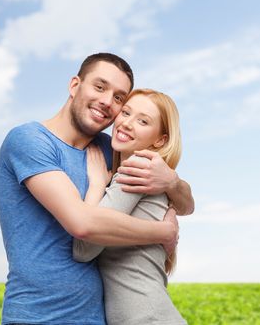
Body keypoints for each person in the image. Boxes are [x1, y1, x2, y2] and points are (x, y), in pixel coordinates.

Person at [0, 53, 194, 325]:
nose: (107, 102)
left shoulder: (111, 148)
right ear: (75, 85)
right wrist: (163, 231)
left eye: (118, 98)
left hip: (97, 317)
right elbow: (83, 224)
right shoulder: (30, 140)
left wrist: (172, 182)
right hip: (38, 315)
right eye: (100, 87)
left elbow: (185, 205)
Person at [73, 89, 187, 324]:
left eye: (143, 121)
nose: (126, 123)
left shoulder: (137, 169)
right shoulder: (147, 172)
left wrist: (96, 185)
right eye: (126, 112)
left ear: (160, 140)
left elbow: (83, 249)